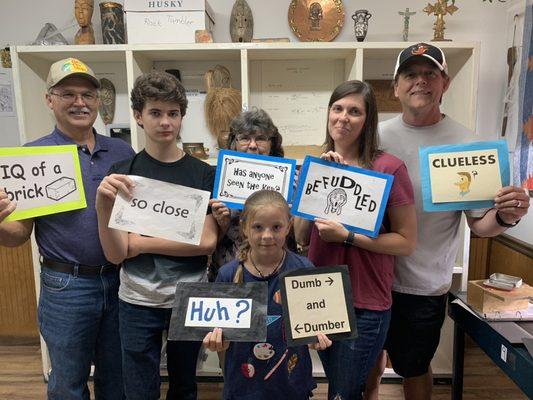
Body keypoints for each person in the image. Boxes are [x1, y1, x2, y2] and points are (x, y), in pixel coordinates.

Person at [367, 42, 531, 400]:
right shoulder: (374, 137)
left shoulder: (468, 145)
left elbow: (480, 225)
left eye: (430, 74)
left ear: (446, 82)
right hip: (371, 275)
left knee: (415, 367)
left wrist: (506, 215)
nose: (420, 82)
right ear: (396, 86)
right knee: (368, 364)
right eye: (410, 74)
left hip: (423, 285)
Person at [0, 57, 134, 399]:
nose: (80, 102)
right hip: (66, 286)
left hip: (120, 281)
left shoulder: (120, 151)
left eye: (88, 95)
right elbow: (18, 235)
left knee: (117, 377)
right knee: (68, 381)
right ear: (50, 99)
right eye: (68, 94)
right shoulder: (31, 158)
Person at [95, 70, 218, 400]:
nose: (166, 122)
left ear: (181, 117)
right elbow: (116, 254)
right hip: (137, 298)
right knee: (138, 386)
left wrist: (139, 243)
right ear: (138, 116)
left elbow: (205, 242)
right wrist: (102, 208)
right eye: (155, 112)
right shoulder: (123, 174)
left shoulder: (203, 173)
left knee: (184, 384)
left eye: (173, 113)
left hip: (188, 294)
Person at [293, 80, 417, 400]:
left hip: (365, 301)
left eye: (354, 111)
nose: (343, 117)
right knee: (341, 388)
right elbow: (301, 235)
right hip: (319, 297)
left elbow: (405, 242)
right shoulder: (319, 164)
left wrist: (348, 237)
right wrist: (311, 186)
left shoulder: (389, 168)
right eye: (337, 108)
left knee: (344, 392)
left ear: (368, 120)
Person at [203, 189, 331, 400]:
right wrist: (219, 342)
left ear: (288, 226)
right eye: (258, 227)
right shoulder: (228, 274)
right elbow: (222, 336)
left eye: (277, 227)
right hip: (244, 384)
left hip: (291, 381)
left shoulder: (304, 269)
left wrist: (317, 339)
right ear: (244, 227)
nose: (267, 235)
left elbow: (314, 326)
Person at [209, 109, 286, 279]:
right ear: (234, 143)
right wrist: (222, 224)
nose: (252, 145)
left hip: (277, 270)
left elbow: (297, 235)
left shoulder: (288, 179)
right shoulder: (218, 178)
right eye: (244, 138)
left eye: (260, 138)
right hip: (230, 272)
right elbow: (209, 241)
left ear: (271, 143)